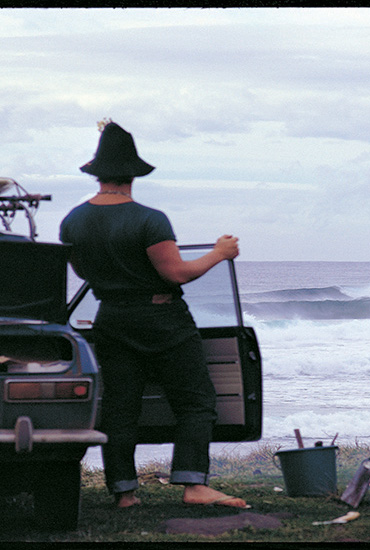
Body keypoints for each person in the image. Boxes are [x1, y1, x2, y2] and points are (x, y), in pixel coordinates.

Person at [60, 121, 247, 510]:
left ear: (96, 174)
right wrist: (219, 253)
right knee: (196, 402)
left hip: (110, 319)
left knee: (121, 409)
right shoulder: (149, 219)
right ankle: (194, 485)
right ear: (133, 173)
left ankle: (124, 493)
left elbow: (81, 272)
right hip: (163, 320)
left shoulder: (72, 221)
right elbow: (175, 273)